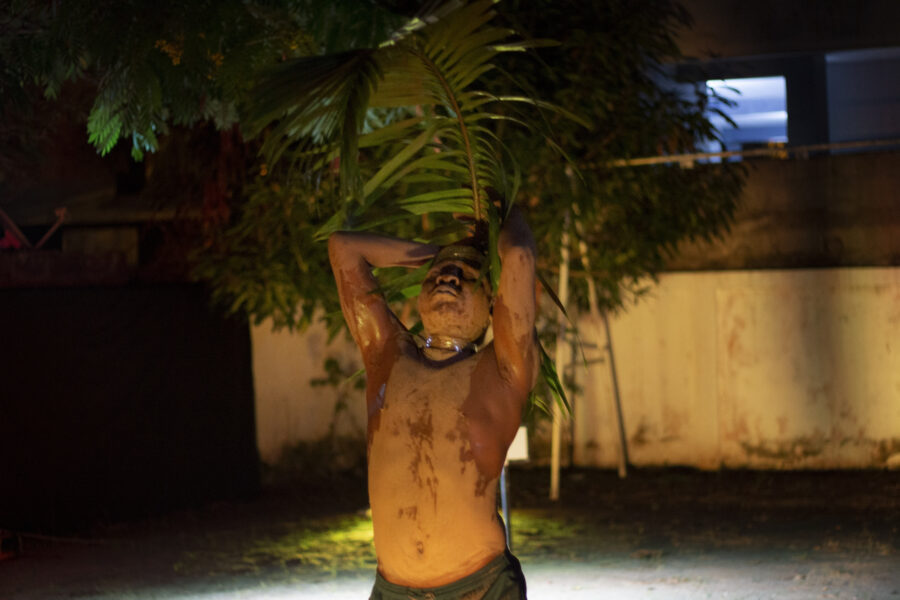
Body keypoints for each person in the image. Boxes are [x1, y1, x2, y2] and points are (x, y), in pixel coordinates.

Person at [328, 205, 538, 600]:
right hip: (394, 590)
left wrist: (502, 213)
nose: (448, 277)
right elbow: (343, 248)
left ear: (492, 299)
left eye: (467, 275)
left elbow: (520, 256)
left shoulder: (503, 369)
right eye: (439, 275)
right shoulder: (386, 357)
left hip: (480, 587)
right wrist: (439, 252)